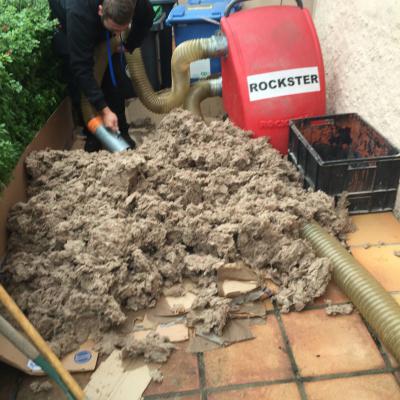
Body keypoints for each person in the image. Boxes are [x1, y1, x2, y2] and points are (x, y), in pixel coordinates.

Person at [48, 0, 155, 151]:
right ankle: (94, 134)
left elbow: (147, 17)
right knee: (79, 83)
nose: (117, 34)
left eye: (121, 29)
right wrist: (104, 110)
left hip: (96, 18)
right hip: (68, 21)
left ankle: (121, 130)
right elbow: (81, 67)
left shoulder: (137, 4)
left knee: (113, 76)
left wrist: (129, 44)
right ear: (100, 10)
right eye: (114, 29)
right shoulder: (78, 12)